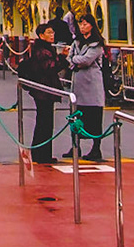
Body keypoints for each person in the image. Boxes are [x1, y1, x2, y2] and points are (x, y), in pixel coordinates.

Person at [14, 25, 66, 163]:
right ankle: (43, 155)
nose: (52, 35)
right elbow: (50, 67)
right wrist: (62, 58)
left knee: (43, 122)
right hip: (44, 90)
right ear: (41, 35)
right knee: (45, 123)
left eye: (53, 32)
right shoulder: (43, 51)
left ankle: (39, 152)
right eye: (49, 32)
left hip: (43, 90)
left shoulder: (42, 48)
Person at [67, 13, 108, 162]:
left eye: (85, 24)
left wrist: (74, 60)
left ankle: (96, 149)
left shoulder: (97, 44)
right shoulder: (76, 42)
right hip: (77, 84)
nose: (82, 27)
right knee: (76, 116)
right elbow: (69, 58)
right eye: (80, 24)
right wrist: (73, 61)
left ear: (92, 25)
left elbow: (87, 60)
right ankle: (75, 146)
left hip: (92, 85)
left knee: (94, 118)